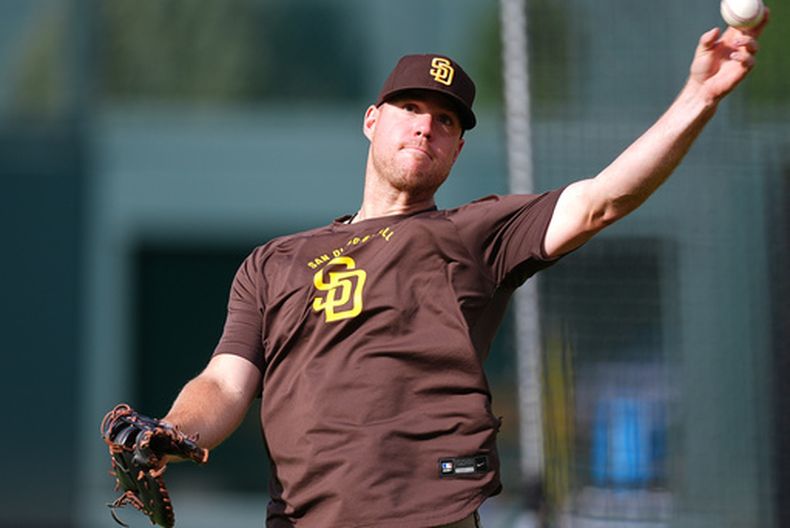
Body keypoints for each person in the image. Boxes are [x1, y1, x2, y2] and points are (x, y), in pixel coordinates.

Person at [153, 15, 767, 528]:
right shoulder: (274, 262)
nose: (426, 125)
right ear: (372, 120)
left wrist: (699, 97)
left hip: (428, 514)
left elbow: (602, 198)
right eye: (411, 107)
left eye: (446, 120)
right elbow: (227, 383)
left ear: (457, 148)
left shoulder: (474, 234)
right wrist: (173, 433)